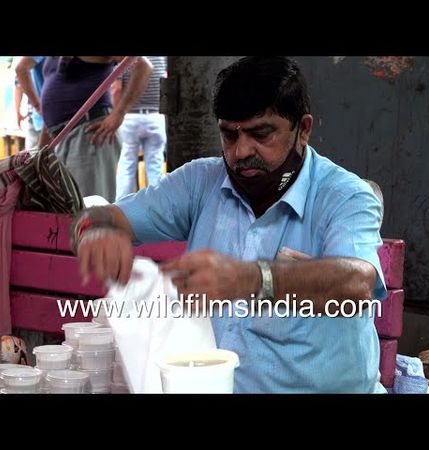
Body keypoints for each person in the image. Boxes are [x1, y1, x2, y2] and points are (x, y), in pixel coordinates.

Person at [72, 56, 387, 393]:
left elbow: (359, 282)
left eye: (261, 134)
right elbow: (97, 218)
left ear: (303, 130)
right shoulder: (200, 182)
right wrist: (97, 229)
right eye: (229, 136)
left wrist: (252, 279)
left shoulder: (343, 196)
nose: (241, 152)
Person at [17, 56, 152, 202]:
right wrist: (42, 150)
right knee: (68, 208)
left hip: (89, 132)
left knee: (88, 209)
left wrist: (119, 113)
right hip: (60, 135)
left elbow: (143, 66)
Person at [115, 56, 167, 199]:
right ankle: (157, 205)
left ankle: (121, 204)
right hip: (155, 116)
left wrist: (116, 115)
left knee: (127, 164)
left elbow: (116, 90)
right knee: (155, 164)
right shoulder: (161, 58)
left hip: (130, 117)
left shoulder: (127, 58)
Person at [13, 56, 45, 149]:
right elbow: (21, 70)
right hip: (43, 117)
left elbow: (18, 86)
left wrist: (18, 112)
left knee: (35, 157)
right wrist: (37, 105)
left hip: (37, 115)